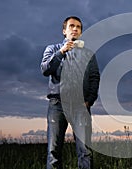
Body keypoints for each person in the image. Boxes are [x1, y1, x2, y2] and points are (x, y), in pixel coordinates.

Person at [41, 16, 100, 169]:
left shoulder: (88, 54)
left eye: (78, 27)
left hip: (81, 106)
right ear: (64, 31)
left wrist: (89, 101)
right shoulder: (52, 49)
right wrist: (61, 52)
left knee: (85, 151)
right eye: (72, 26)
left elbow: (94, 77)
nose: (75, 29)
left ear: (80, 32)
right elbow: (46, 69)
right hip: (57, 105)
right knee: (53, 151)